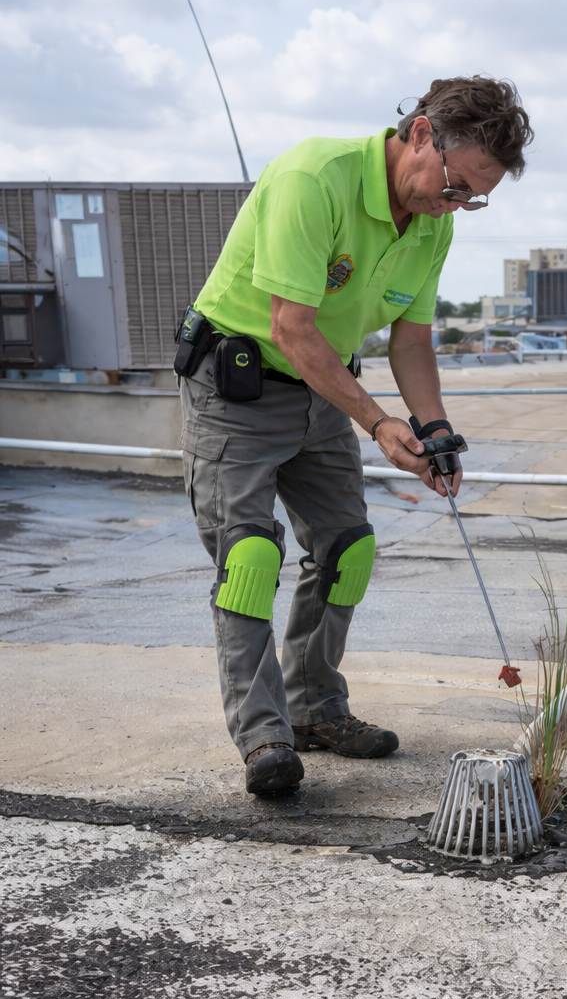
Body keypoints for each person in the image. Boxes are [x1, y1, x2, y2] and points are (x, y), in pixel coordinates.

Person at [176, 76, 533, 795]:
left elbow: (411, 339)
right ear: (422, 134)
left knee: (348, 550)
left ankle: (315, 707)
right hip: (237, 387)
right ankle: (265, 738)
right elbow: (292, 328)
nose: (457, 203)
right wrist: (377, 422)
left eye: (475, 197)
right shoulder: (314, 178)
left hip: (322, 388)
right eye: (457, 184)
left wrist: (433, 430)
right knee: (249, 558)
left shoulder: (432, 223)